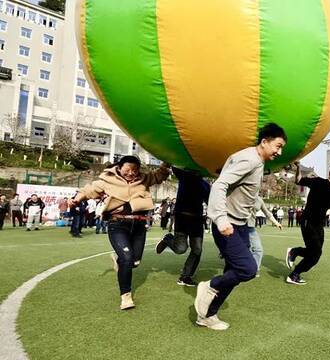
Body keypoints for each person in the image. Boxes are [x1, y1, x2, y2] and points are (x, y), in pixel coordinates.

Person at [194, 123, 286, 331]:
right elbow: (219, 184)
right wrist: (220, 218)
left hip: (241, 224)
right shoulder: (250, 159)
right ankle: (209, 286)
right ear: (264, 142)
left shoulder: (255, 160)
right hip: (229, 224)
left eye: (281, 148)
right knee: (248, 269)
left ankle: (207, 315)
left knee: (232, 273)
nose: (279, 152)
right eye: (277, 146)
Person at [69, 156, 170, 310]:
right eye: (127, 170)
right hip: (118, 224)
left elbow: (159, 175)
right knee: (128, 260)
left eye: (135, 170)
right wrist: (76, 199)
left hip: (139, 225)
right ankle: (126, 296)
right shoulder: (107, 179)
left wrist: (167, 161)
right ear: (120, 167)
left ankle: (119, 260)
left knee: (135, 262)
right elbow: (89, 190)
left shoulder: (144, 179)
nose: (131, 173)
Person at [285, 162, 330, 286]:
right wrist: (298, 168)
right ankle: (294, 274)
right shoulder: (318, 182)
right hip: (308, 221)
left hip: (319, 225)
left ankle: (294, 252)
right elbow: (299, 180)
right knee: (315, 252)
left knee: (315, 252)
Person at [155, 167, 211, 287]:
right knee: (180, 249)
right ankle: (167, 239)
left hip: (197, 219)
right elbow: (175, 165)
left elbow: (210, 202)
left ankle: (186, 276)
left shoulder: (206, 185)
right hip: (182, 217)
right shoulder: (185, 175)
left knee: (197, 249)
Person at [248, 196, 282, 276]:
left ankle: (254, 270)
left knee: (258, 250)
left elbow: (267, 213)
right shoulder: (241, 192)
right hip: (237, 226)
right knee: (242, 249)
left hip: (250, 228)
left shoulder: (259, 200)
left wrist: (276, 223)